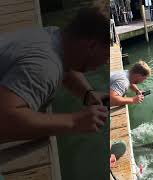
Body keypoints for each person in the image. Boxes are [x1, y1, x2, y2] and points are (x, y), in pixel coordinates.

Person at [0, 6, 109, 142]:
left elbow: (66, 67)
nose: (106, 62)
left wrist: (87, 94)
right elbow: (4, 120)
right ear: (92, 46)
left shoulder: (53, 36)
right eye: (107, 55)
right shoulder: (45, 67)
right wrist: (75, 122)